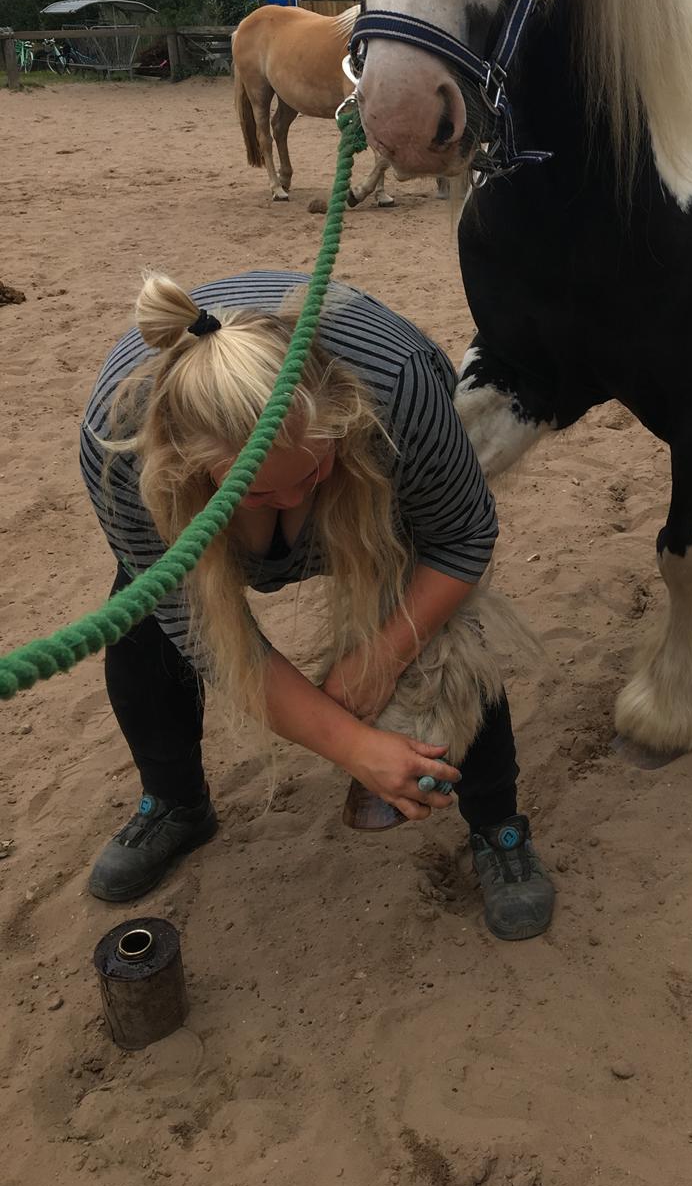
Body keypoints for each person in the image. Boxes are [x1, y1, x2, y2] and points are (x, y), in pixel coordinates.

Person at [79, 269, 554, 941]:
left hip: (369, 489)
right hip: (202, 510)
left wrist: (382, 656)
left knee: (442, 630)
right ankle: (176, 802)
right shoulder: (119, 452)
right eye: (264, 492)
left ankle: (497, 824)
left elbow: (461, 537)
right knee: (140, 619)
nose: (295, 500)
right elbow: (209, 635)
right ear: (188, 469)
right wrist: (354, 745)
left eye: (309, 473)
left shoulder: (400, 389)